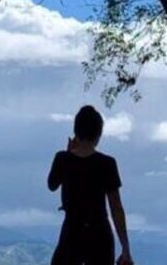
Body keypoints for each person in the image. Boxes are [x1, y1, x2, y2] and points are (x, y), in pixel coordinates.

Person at [48, 105, 134, 265]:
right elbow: (116, 207)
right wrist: (126, 249)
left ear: (76, 132)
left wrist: (68, 153)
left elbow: (52, 185)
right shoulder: (107, 163)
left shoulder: (62, 159)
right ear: (98, 134)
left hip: (72, 231)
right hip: (100, 234)